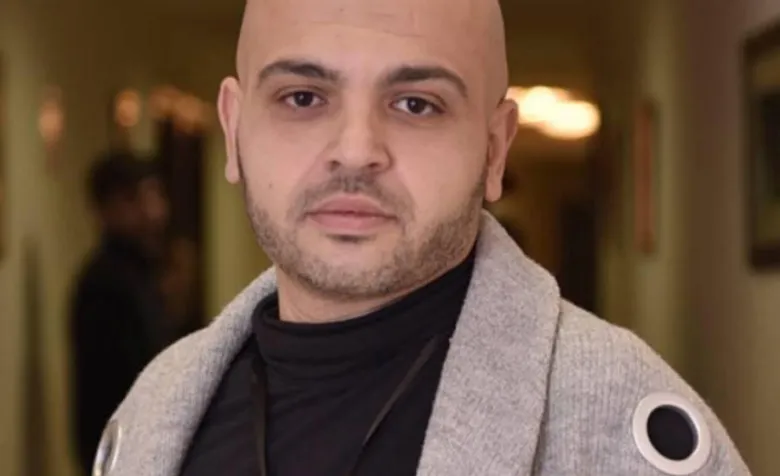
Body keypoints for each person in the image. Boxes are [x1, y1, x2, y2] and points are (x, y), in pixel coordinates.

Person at [95, 1, 751, 475]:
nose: (356, 151)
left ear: (494, 151)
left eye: (416, 104)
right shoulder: (153, 413)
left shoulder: (622, 430)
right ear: (234, 129)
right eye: (303, 98)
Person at [68, 152, 170, 474]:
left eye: (155, 196)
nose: (155, 211)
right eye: (139, 199)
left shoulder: (139, 273)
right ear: (108, 209)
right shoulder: (105, 283)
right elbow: (115, 386)